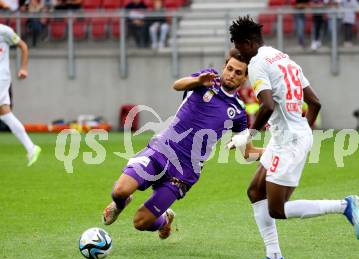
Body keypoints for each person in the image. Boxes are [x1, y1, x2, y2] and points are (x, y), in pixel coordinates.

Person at [229, 16, 359, 259]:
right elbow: (315, 103)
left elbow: (267, 105)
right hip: (289, 138)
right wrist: (302, 132)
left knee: (277, 209)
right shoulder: (282, 57)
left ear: (247, 43)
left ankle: (344, 205)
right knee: (255, 192)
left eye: (238, 45)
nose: (238, 52)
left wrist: (249, 134)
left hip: (289, 141)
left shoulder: (257, 62)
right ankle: (274, 258)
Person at [101, 49, 264, 239]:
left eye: (238, 73)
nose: (231, 75)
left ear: (244, 78)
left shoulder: (238, 111)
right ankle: (121, 204)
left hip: (184, 172)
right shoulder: (206, 79)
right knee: (120, 191)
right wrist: (198, 81)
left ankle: (164, 220)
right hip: (161, 150)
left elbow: (248, 152)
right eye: (229, 69)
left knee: (140, 222)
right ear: (224, 67)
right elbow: (177, 85)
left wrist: (279, 152)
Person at [0, 24, 41, 166]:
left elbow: (23, 46)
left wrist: (23, 68)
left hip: (1, 77)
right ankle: (31, 148)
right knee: (5, 113)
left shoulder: (4, 31)